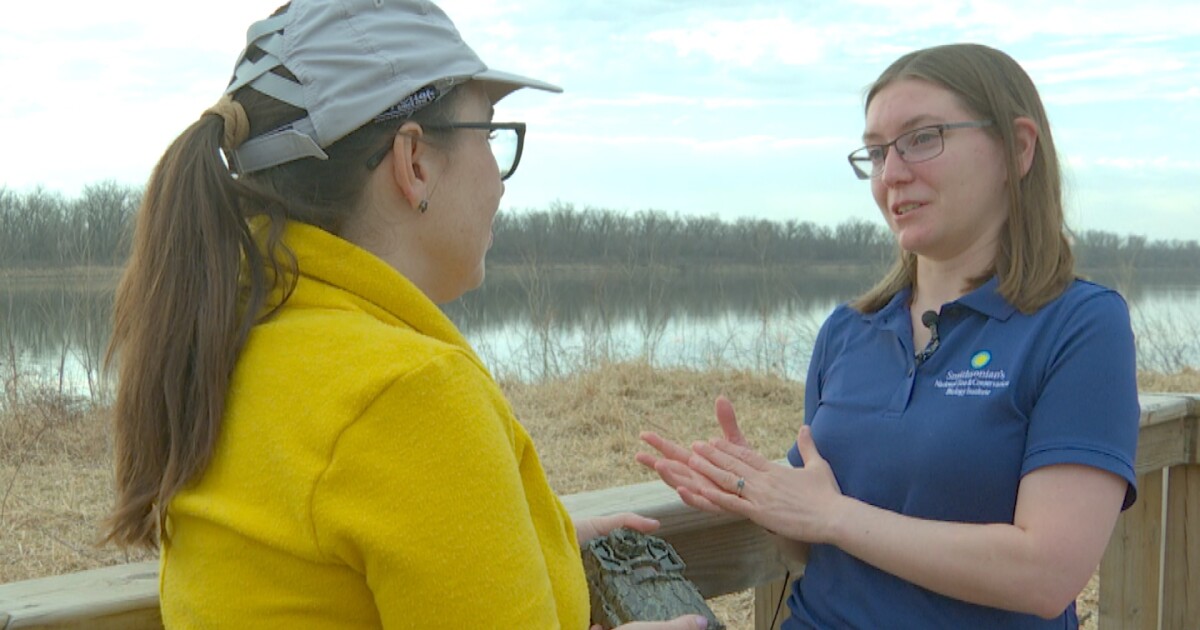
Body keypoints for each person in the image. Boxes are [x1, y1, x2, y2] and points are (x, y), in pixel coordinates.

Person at [102, 1, 706, 628]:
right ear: (414, 162)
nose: (500, 182)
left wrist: (517, 537)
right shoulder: (407, 395)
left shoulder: (238, 341)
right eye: (491, 135)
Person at [637, 43, 1139, 629]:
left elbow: (1046, 572)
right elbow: (809, 550)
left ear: (1017, 148)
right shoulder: (849, 332)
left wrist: (835, 515)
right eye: (876, 152)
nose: (892, 174)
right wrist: (768, 499)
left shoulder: (1078, 325)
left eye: (922, 138)